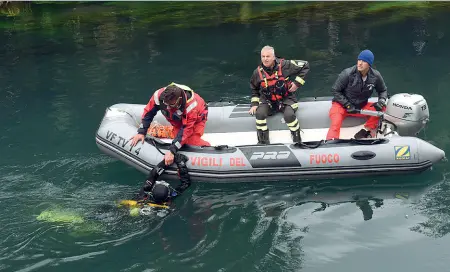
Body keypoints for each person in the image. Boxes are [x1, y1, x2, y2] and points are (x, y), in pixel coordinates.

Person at [130, 82, 211, 165]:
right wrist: (141, 132)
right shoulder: (159, 96)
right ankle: (170, 131)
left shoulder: (192, 106)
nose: (167, 107)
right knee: (178, 132)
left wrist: (172, 150)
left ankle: (209, 148)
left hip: (197, 118)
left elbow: (186, 130)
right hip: (176, 118)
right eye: (166, 104)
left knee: (190, 141)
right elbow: (149, 113)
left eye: (170, 104)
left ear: (179, 99)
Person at [248, 45, 310, 144]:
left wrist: (297, 84)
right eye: (263, 56)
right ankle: (263, 141)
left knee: (289, 115)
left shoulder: (285, 65)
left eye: (268, 56)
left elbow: (305, 65)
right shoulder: (257, 73)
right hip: (268, 100)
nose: (265, 59)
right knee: (259, 114)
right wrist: (254, 104)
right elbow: (254, 89)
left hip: (286, 98)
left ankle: (297, 139)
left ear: (273, 57)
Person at [326, 49, 389, 140]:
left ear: (369, 64)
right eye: (359, 60)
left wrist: (381, 100)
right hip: (341, 105)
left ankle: (366, 130)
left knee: (382, 108)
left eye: (363, 61)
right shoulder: (347, 73)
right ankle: (330, 143)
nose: (359, 63)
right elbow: (335, 91)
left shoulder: (375, 76)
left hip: (360, 107)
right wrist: (347, 105)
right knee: (335, 123)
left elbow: (383, 90)